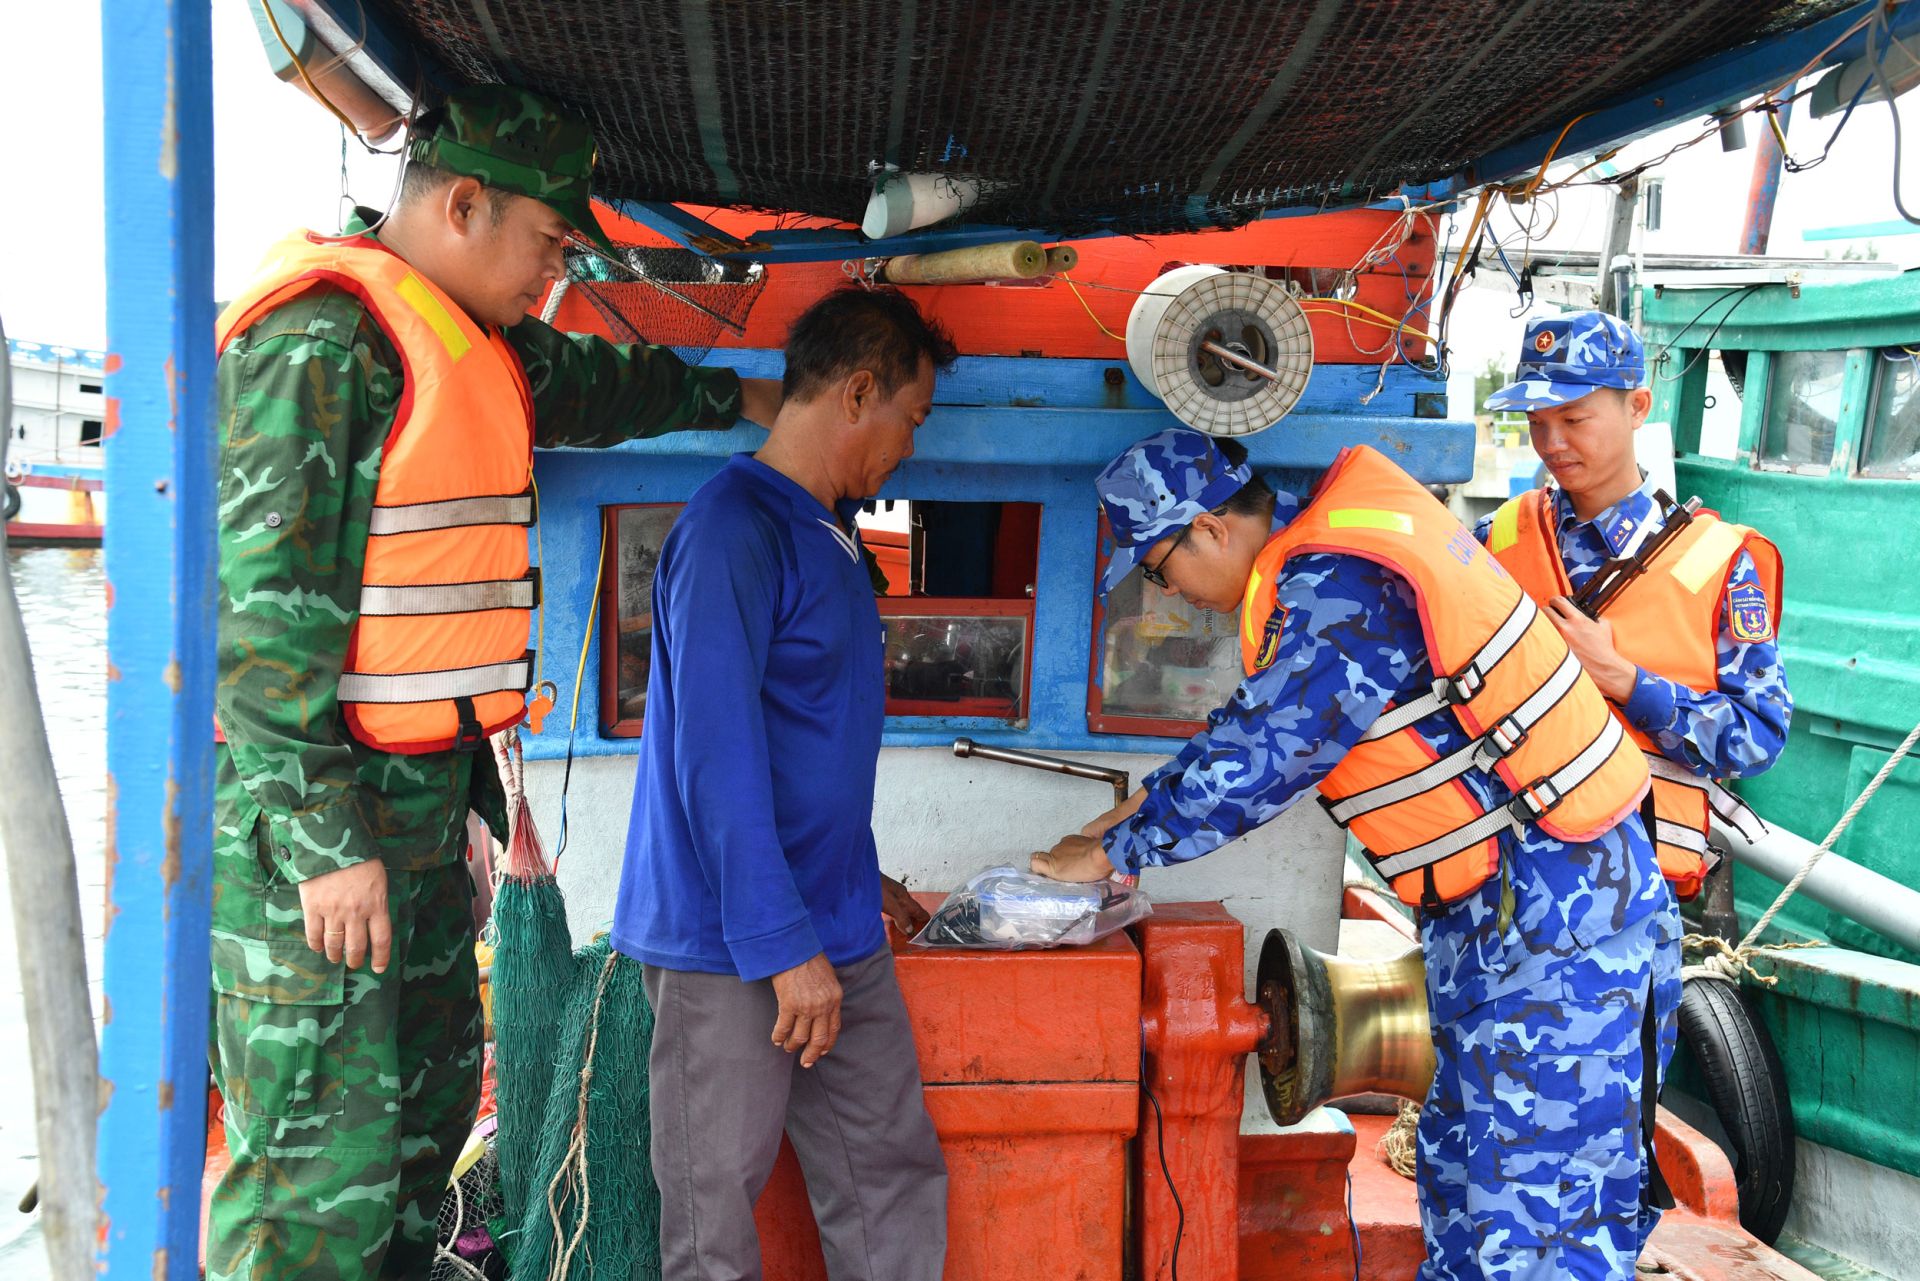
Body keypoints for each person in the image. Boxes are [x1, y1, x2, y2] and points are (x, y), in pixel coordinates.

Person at [209, 84, 782, 1280]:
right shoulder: (320, 347)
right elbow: (258, 626)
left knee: (417, 1162)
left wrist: (748, 401)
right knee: (318, 1196)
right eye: (549, 243)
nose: (553, 273)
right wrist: (324, 845)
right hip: (330, 843)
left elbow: (605, 385)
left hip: (422, 826)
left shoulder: (480, 345)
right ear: (464, 204)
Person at [1032, 427, 1671, 1280]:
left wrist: (1116, 850)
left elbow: (1271, 748)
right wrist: (1129, 815)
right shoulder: (1317, 576)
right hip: (1502, 913)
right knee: (1469, 1183)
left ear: (1210, 529)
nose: (1170, 592)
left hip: (1558, 909)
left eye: (1157, 569)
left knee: (1538, 1219)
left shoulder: (1341, 583)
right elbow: (1250, 724)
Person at [611, 287, 957, 1280]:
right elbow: (714, 757)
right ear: (857, 394)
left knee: (887, 1173)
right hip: (733, 944)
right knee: (712, 1216)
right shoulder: (734, 532)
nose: (911, 446)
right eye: (911, 418)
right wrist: (781, 945)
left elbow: (816, 738)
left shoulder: (831, 533)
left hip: (835, 925)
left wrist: (859, 878)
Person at [1478, 309, 1792, 1248]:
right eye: (1537, 421)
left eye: (1575, 417)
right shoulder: (1499, 537)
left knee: (1590, 1159)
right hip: (1493, 892)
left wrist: (1631, 684)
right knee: (1483, 1140)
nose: (1553, 441)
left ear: (1637, 406)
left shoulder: (1720, 561)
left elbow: (1755, 735)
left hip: (1621, 907)